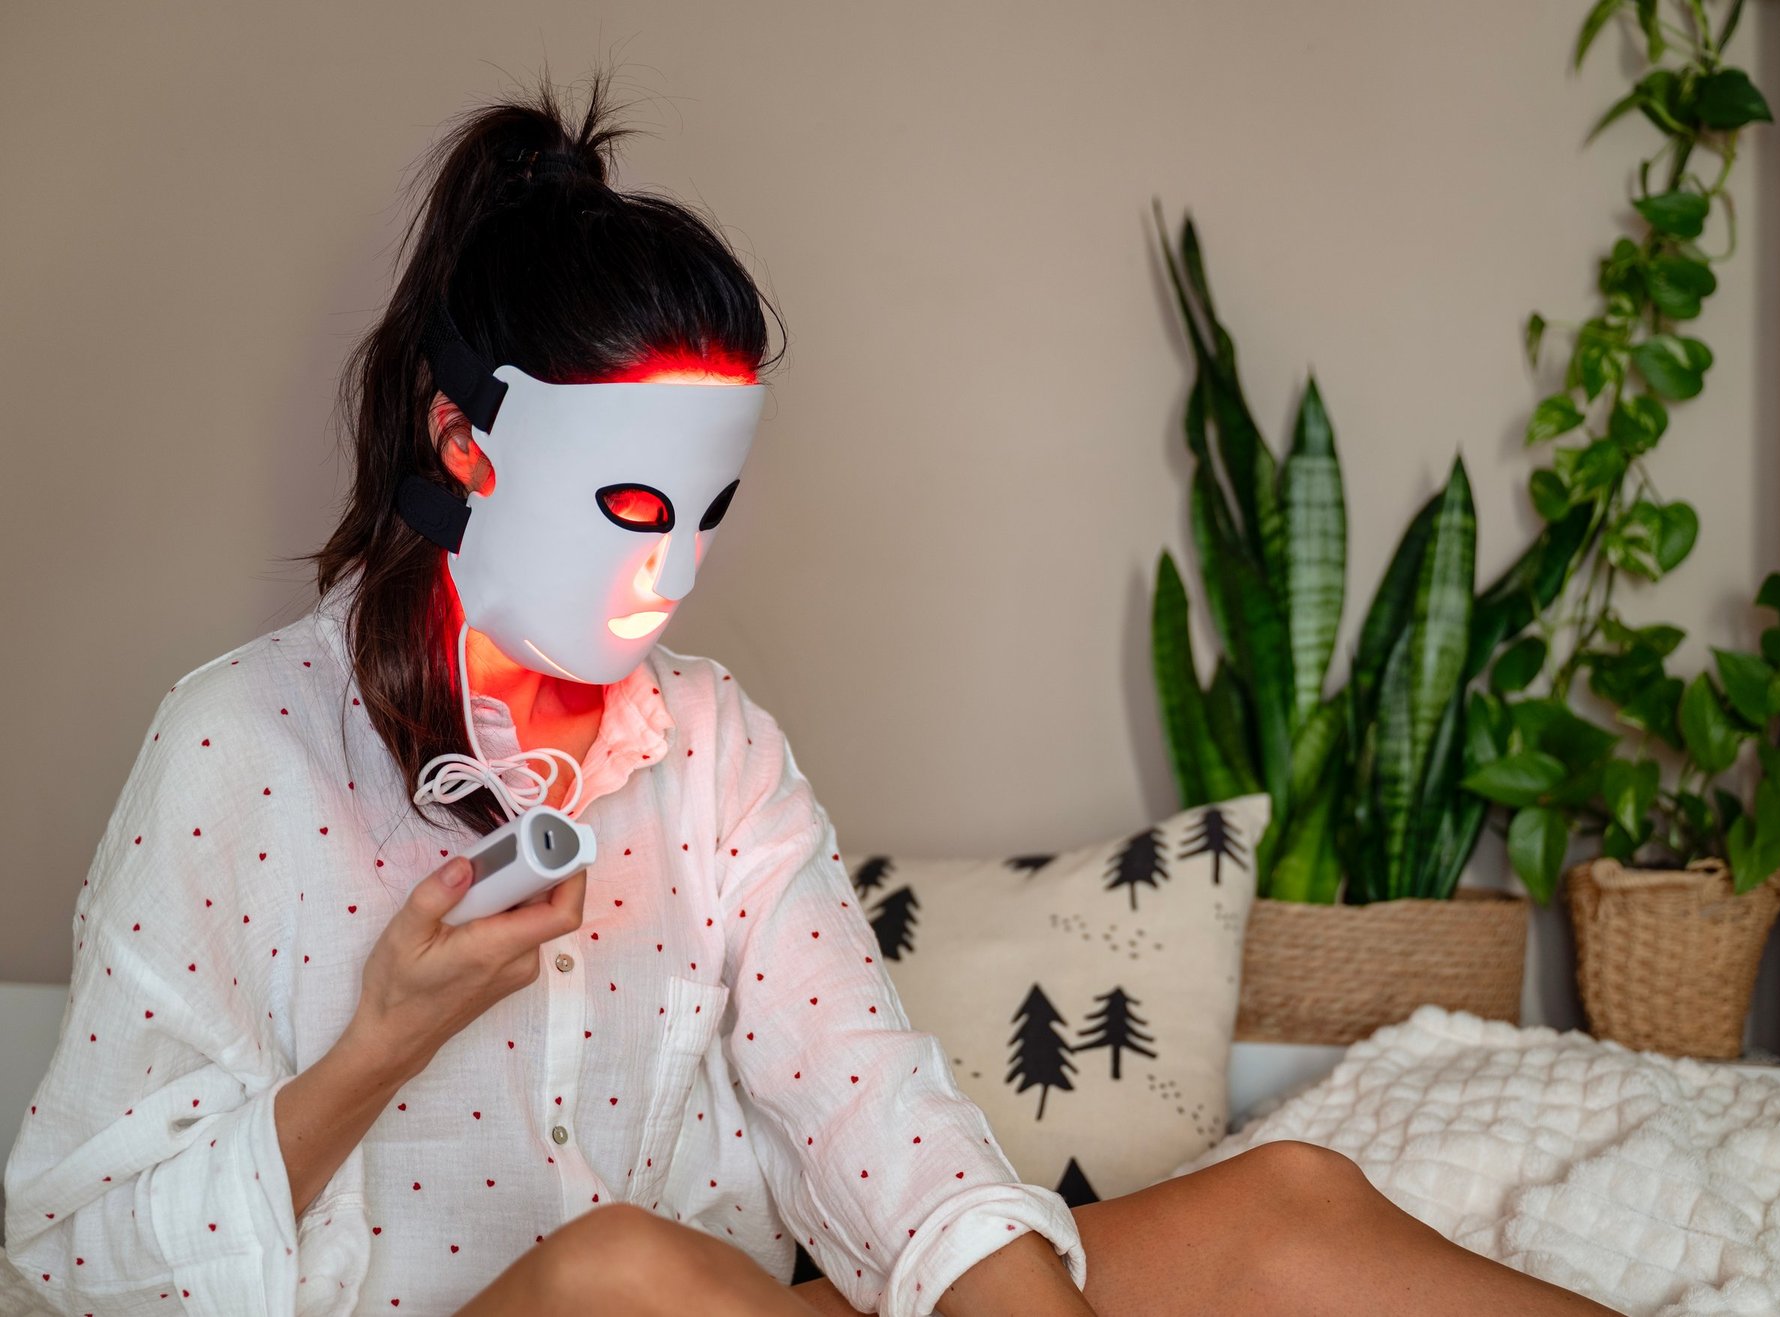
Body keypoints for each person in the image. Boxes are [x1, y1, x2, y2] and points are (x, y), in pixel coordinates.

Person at [2, 68, 1619, 1317]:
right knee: (617, 1269)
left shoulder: (708, 749)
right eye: (634, 509)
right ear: (461, 445)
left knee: (1295, 1204)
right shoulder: (241, 748)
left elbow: (874, 1115)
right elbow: (76, 1254)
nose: (674, 570)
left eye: (703, 515)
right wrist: (381, 1038)